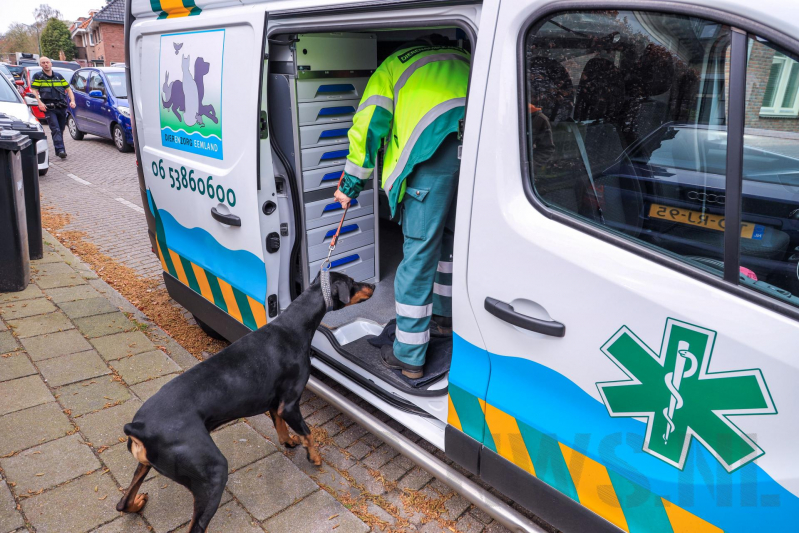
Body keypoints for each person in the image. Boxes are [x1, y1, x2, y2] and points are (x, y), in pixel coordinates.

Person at [333, 35, 469, 379]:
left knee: (418, 257)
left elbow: (368, 129)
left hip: (429, 163)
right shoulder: (465, 56)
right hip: (469, 158)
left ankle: (409, 354)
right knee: (449, 244)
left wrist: (350, 185)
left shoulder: (394, 65)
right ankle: (443, 319)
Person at [30, 57, 75, 159]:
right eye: (43, 63)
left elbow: (68, 89)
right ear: (40, 65)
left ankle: (59, 148)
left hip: (61, 107)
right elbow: (34, 90)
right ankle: (60, 150)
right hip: (49, 108)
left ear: (51, 64)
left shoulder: (58, 76)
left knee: (61, 129)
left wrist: (72, 101)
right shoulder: (38, 76)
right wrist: (39, 102)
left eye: (47, 62)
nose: (46, 64)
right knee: (55, 129)